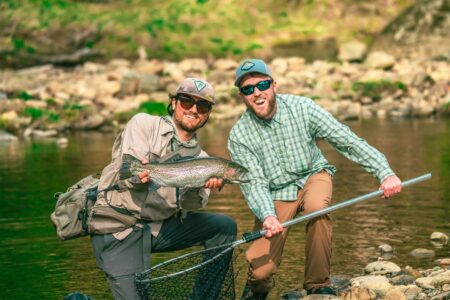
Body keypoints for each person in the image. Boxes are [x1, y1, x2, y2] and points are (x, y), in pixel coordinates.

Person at [227, 59, 402, 299]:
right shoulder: (239, 135)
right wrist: (268, 215)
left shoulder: (304, 108)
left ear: (274, 85)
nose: (257, 93)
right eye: (248, 89)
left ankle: (318, 284)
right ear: (241, 95)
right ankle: (257, 289)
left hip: (313, 175)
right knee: (260, 274)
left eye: (262, 85)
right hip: (274, 193)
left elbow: (346, 140)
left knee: (317, 208)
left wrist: (385, 172)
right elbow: (255, 182)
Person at [90, 78, 237, 300]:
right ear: (174, 103)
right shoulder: (143, 124)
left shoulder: (203, 159)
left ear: (208, 114)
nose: (194, 109)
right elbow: (128, 175)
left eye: (203, 106)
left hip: (159, 228)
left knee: (224, 227)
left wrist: (198, 185)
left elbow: (191, 205)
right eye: (187, 101)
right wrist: (142, 175)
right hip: (120, 227)